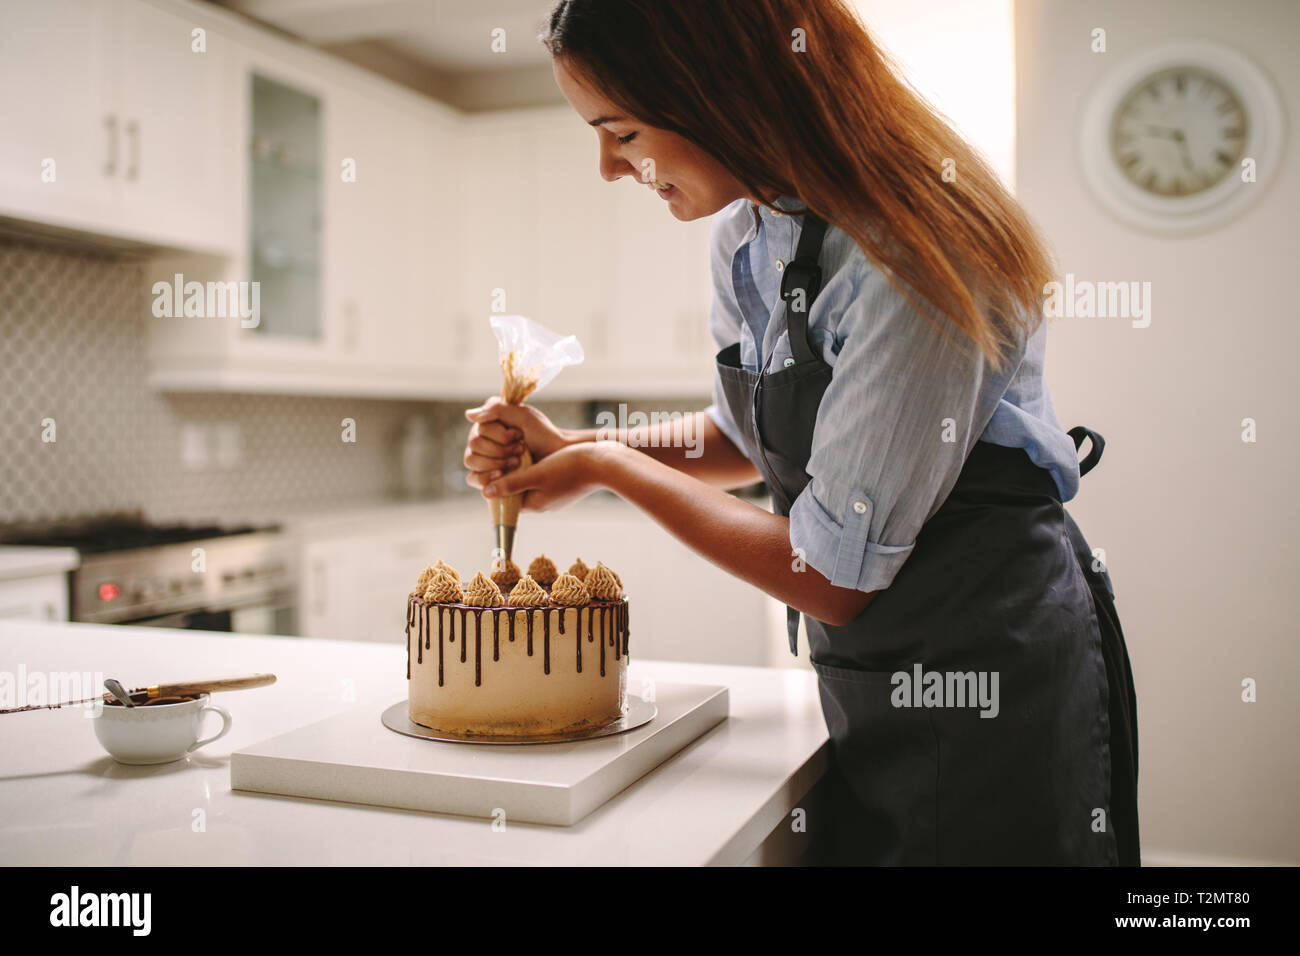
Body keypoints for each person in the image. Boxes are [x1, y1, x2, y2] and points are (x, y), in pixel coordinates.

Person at [463, 0, 1139, 865]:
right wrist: (575, 451)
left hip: (988, 663)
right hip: (867, 669)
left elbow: (830, 574)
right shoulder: (749, 232)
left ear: (719, 93)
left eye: (621, 133)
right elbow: (749, 438)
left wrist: (608, 464)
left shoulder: (916, 250)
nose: (606, 167)